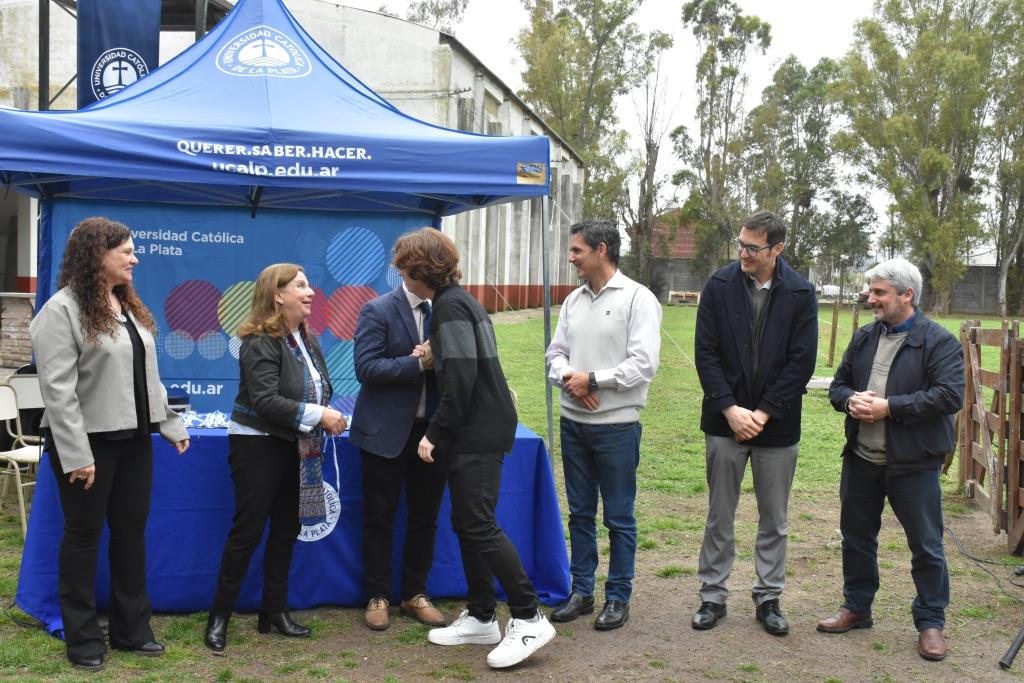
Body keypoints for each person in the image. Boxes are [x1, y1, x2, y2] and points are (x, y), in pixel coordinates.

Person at [30, 217, 190, 671]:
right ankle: (82, 639)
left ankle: (131, 631)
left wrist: (170, 425)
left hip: (134, 440)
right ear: (98, 254)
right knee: (82, 538)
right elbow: (57, 391)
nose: (135, 258)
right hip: (86, 445)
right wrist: (77, 455)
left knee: (130, 535)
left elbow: (147, 377)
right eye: (126, 251)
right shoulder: (60, 311)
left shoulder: (126, 307)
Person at [394, 227, 555, 669]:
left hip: (477, 430)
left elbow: (462, 381)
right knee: (468, 523)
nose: (400, 272)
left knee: (477, 523)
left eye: (403, 265)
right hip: (477, 427)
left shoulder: (448, 307)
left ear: (417, 268)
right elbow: (462, 363)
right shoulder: (457, 302)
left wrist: (434, 433)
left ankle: (528, 616)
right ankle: (483, 615)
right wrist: (437, 352)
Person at [817, 258, 963, 662]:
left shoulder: (938, 341)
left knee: (926, 544)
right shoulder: (865, 337)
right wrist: (849, 400)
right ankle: (857, 607)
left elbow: (950, 396)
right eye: (871, 290)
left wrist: (889, 407)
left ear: (906, 295)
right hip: (862, 459)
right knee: (857, 538)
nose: (871, 298)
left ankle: (931, 622)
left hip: (913, 464)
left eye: (879, 292)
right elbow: (838, 385)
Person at [204, 264, 346, 652]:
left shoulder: (307, 339)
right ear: (277, 295)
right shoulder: (257, 340)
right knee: (247, 532)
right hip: (258, 446)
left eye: (309, 285)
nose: (311, 292)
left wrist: (325, 413)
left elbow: (317, 389)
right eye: (301, 286)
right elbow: (266, 401)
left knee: (286, 529)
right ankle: (219, 619)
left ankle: (275, 611)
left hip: (296, 445)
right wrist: (322, 415)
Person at [692, 210, 818, 636]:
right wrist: (730, 409)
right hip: (724, 420)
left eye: (752, 247)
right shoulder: (719, 284)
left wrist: (762, 412)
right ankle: (712, 595)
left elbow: (802, 361)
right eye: (740, 244)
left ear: (777, 248)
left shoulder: (801, 292)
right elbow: (705, 353)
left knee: (774, 518)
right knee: (719, 513)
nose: (743, 253)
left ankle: (769, 597)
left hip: (777, 426)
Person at [544, 219, 661, 630]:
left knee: (618, 516)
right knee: (579, 513)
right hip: (573, 423)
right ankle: (582, 591)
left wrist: (592, 379)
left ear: (602, 250)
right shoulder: (574, 301)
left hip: (616, 427)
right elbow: (554, 355)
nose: (571, 257)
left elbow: (644, 364)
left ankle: (617, 596)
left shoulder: (638, 299)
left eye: (577, 250)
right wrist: (572, 380)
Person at [349, 267, 447, 631]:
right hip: (384, 434)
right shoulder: (377, 309)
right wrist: (418, 362)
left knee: (425, 518)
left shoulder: (446, 310)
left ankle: (415, 594)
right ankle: (378, 596)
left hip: (433, 432)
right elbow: (366, 368)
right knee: (379, 517)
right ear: (408, 272)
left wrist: (444, 356)